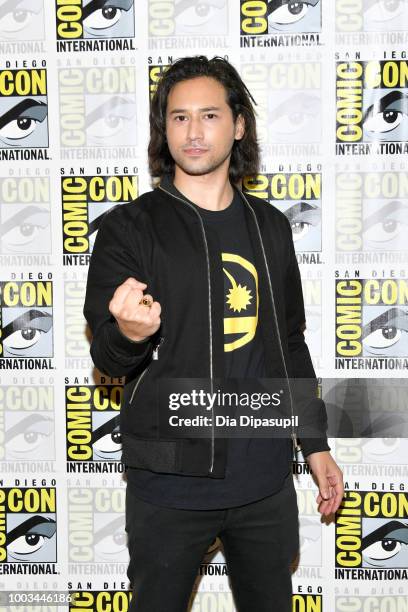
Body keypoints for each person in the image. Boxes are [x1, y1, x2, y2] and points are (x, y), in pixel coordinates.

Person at [83, 55, 343, 612]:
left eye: (209, 115)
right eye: (178, 118)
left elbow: (289, 344)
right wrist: (130, 335)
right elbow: (108, 356)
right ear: (164, 129)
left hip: (264, 480)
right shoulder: (130, 227)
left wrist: (315, 446)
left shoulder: (270, 226)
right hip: (170, 487)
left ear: (238, 125)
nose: (193, 132)